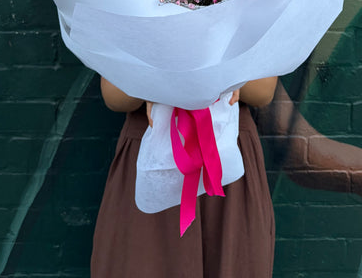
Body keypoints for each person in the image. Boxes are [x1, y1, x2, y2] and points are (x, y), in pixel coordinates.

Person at [90, 76, 278, 278]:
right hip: (151, 155)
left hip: (226, 152)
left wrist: (214, 76)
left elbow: (263, 91)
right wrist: (168, 77)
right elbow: (113, 95)